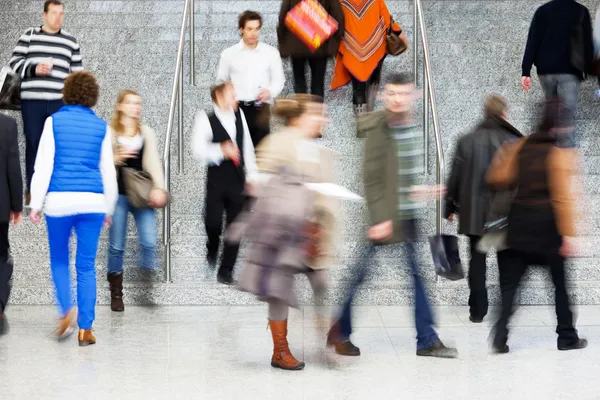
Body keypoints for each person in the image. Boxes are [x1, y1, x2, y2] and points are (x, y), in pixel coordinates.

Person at [327, 73, 458, 359]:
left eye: (403, 94)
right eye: (392, 94)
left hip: (405, 216)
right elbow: (371, 178)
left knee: (410, 278)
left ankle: (425, 339)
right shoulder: (379, 128)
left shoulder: (410, 127)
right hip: (385, 219)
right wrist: (380, 218)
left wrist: (423, 191)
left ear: (414, 96)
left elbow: (397, 176)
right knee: (364, 276)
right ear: (385, 96)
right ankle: (422, 339)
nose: (398, 99)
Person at [232, 94, 336, 371]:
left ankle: (329, 337)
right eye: (318, 114)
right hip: (280, 233)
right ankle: (280, 350)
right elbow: (258, 183)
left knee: (321, 283)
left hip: (310, 232)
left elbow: (322, 191)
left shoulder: (317, 150)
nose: (323, 119)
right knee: (278, 291)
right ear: (300, 117)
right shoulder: (277, 143)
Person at [487, 99, 587, 354]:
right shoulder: (559, 155)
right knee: (560, 287)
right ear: (559, 126)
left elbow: (496, 176)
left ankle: (500, 335)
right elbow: (563, 198)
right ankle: (567, 336)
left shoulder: (518, 147)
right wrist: (567, 235)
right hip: (546, 227)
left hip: (519, 222)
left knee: (511, 286)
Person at [29, 72, 117, 347]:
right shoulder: (102, 127)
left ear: (66, 93)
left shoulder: (53, 122)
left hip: (59, 202)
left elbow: (43, 165)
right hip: (92, 202)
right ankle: (86, 330)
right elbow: (108, 172)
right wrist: (109, 207)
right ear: (92, 96)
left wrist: (35, 203)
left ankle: (66, 309)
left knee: (59, 260)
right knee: (87, 266)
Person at [444, 95, 523, 323]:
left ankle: (477, 311)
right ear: (503, 114)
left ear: (485, 113)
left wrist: (449, 206)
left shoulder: (466, 140)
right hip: (504, 213)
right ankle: (505, 311)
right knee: (506, 261)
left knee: (477, 262)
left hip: (474, 212)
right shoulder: (513, 140)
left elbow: (455, 176)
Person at [8, 0, 84, 203]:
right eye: (54, 13)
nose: (58, 17)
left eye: (61, 14)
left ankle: (54, 189)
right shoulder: (29, 35)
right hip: (32, 101)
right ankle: (33, 191)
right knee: (33, 143)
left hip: (60, 103)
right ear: (44, 15)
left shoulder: (71, 41)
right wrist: (34, 68)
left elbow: (78, 74)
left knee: (58, 146)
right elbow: (13, 63)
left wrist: (74, 100)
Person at [106, 90, 168, 312]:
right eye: (131, 103)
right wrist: (117, 158)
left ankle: (147, 285)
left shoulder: (147, 132)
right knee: (116, 246)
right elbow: (101, 163)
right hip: (118, 194)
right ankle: (116, 292)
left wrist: (159, 188)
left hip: (142, 194)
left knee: (150, 241)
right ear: (120, 106)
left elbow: (153, 163)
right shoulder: (110, 132)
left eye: (138, 103)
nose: (136, 107)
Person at [192, 82, 259, 285]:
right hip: (216, 179)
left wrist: (252, 176)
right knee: (212, 222)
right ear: (219, 98)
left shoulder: (240, 117)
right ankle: (212, 246)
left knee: (235, 226)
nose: (236, 99)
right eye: (232, 95)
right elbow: (197, 149)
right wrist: (221, 151)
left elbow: (247, 148)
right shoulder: (205, 118)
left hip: (238, 179)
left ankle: (226, 270)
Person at [521, 0, 593, 147]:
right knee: (566, 113)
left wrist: (526, 70)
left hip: (545, 71)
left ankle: (549, 150)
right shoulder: (580, 11)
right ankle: (564, 154)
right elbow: (587, 43)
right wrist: (588, 68)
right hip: (570, 71)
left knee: (551, 107)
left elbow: (533, 40)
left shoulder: (542, 11)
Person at [216, 10, 285, 147]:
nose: (253, 33)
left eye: (256, 29)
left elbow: (279, 79)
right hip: (237, 108)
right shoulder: (229, 54)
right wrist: (228, 99)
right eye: (249, 29)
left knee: (262, 152)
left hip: (261, 108)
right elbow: (220, 82)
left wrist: (270, 92)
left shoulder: (271, 53)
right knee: (239, 151)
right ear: (241, 30)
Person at [330, 0, 406, 124]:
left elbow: (334, 20)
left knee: (358, 86)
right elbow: (387, 19)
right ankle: (370, 112)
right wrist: (399, 33)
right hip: (376, 46)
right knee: (374, 78)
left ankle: (362, 124)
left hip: (351, 48)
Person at [277, 0, 345, 100]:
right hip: (320, 46)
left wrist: (283, 45)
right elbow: (339, 18)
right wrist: (333, 46)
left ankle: (301, 113)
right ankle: (316, 113)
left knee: (299, 82)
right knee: (318, 84)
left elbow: (282, 18)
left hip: (297, 47)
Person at [0, 114, 23, 336]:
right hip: (0, 206)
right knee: (1, 256)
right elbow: (13, 167)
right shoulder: (7, 124)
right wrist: (17, 204)